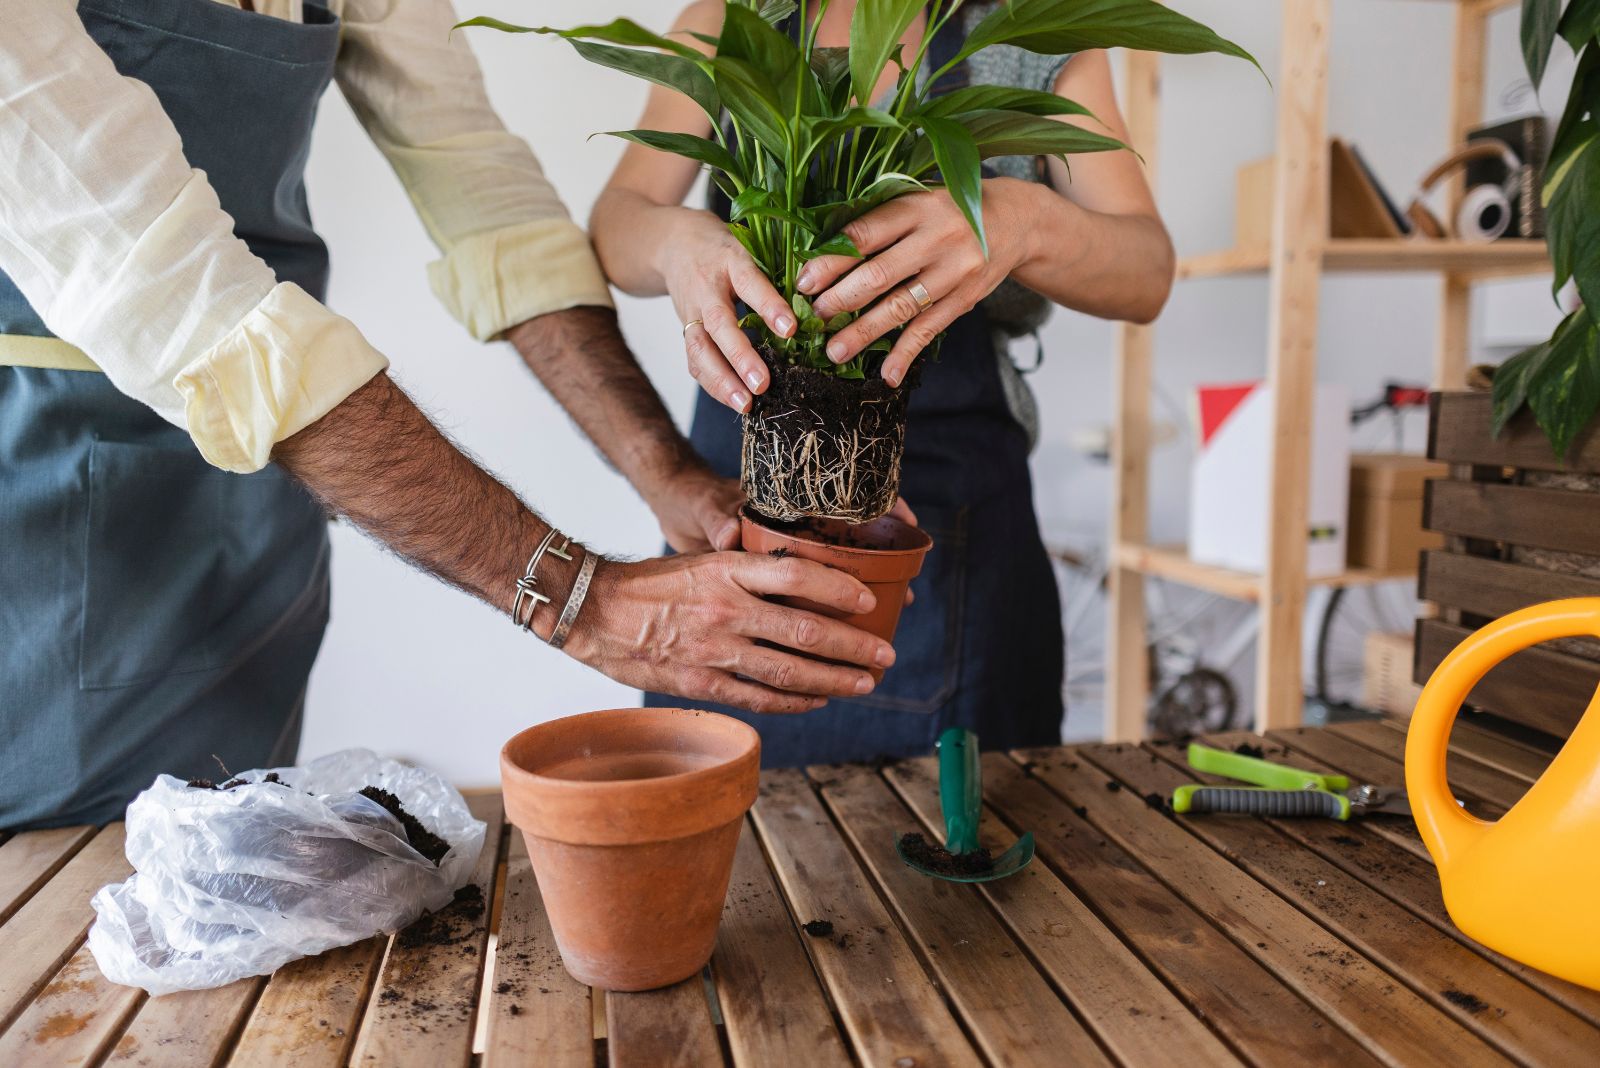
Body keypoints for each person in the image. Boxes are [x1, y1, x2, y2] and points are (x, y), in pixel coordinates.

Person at [0, 0, 901, 831]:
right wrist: (580, 602)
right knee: (57, 917)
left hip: (268, 489)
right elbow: (179, 293)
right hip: (47, 505)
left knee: (227, 857)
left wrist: (664, 473)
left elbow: (486, 197)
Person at [589, 1, 1177, 766]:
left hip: (959, 528)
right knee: (723, 839)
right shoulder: (735, 18)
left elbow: (1146, 272)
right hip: (737, 504)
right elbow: (617, 223)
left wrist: (1021, 218)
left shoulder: (1027, 31)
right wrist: (676, 242)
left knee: (964, 847)